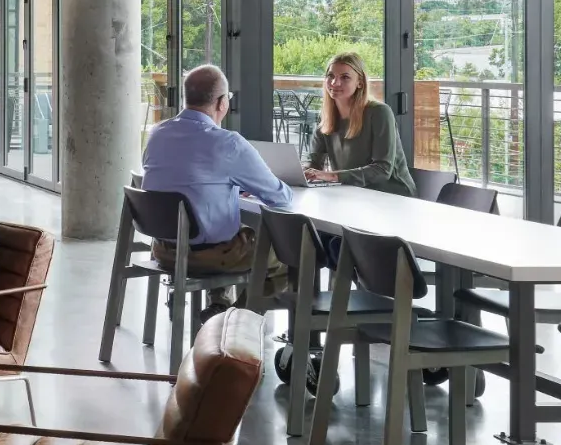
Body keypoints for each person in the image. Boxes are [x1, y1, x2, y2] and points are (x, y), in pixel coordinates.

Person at [141, 64, 291, 314]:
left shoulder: (158, 133)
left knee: (226, 228)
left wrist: (228, 188)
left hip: (164, 250)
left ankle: (220, 305)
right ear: (222, 103)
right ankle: (231, 320)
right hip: (208, 257)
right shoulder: (228, 143)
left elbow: (187, 183)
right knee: (290, 254)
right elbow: (280, 198)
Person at [305, 52, 415, 196]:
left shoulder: (379, 112)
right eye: (330, 76)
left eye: (345, 77)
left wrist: (332, 176)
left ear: (360, 82)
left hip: (393, 196)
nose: (335, 83)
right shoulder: (327, 117)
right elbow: (314, 162)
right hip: (353, 193)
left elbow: (382, 169)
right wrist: (303, 172)